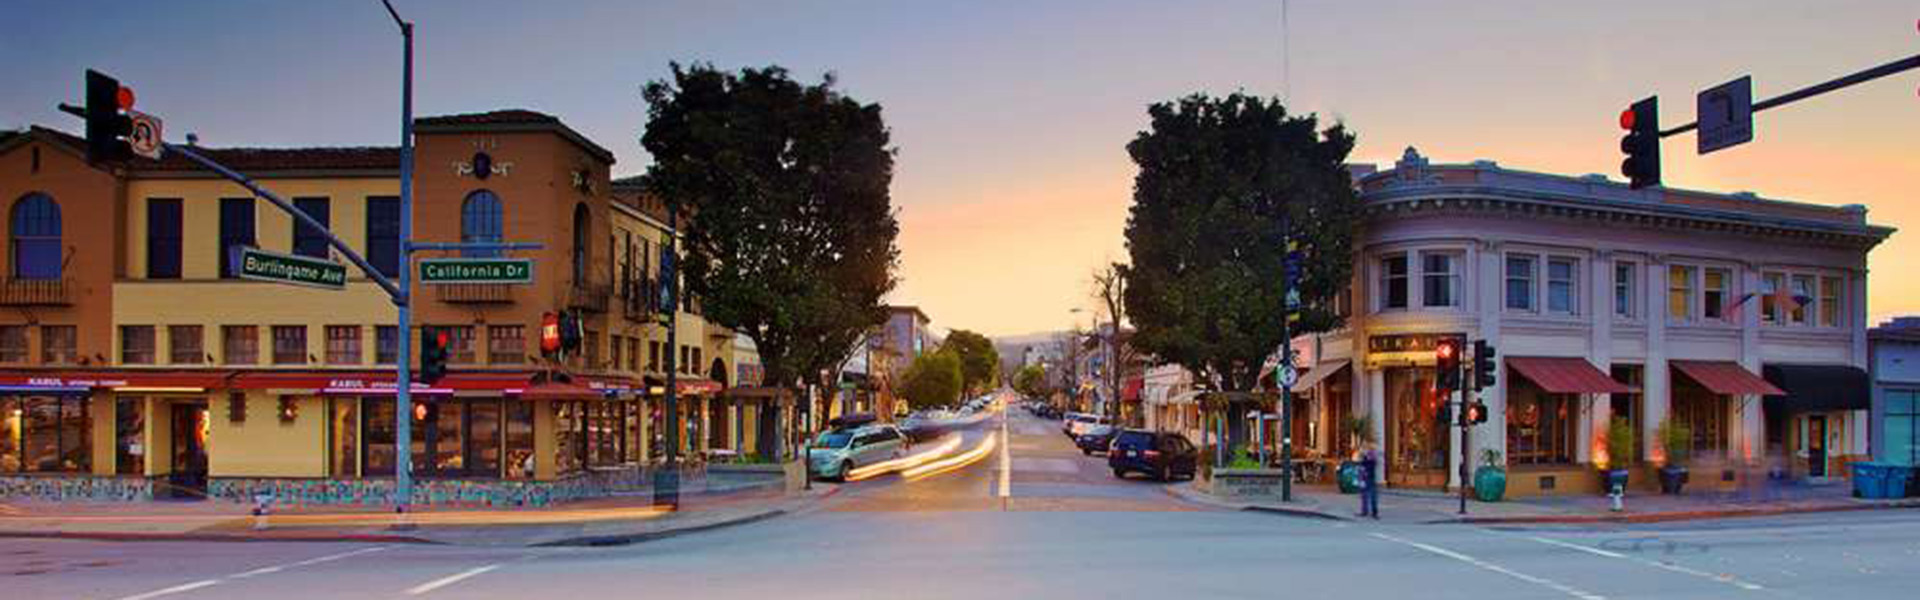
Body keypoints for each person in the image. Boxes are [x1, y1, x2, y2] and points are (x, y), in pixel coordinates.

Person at [1357, 444, 1380, 519]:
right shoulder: (1367, 458)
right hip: (1367, 478)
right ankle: (1369, 512)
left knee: (1369, 496)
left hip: (1368, 479)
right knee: (1366, 496)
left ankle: (1371, 512)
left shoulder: (1369, 458)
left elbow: (1364, 465)